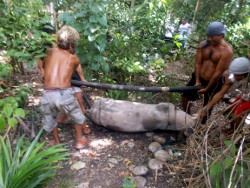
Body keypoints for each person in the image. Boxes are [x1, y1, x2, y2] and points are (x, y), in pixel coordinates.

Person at [41, 26, 88, 149]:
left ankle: (57, 141)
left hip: (47, 93)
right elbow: (68, 73)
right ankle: (79, 140)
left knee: (50, 120)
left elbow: (46, 69)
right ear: (72, 45)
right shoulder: (74, 59)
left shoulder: (47, 53)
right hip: (64, 93)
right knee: (79, 117)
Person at [182, 21, 234, 123]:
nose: (209, 39)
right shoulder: (203, 45)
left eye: (212, 37)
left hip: (215, 82)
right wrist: (197, 80)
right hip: (199, 78)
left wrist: (207, 88)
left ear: (221, 35)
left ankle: (201, 125)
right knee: (185, 98)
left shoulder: (227, 51)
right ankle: (187, 120)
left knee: (208, 106)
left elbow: (218, 72)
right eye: (208, 36)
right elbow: (197, 64)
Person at [198, 57, 250, 131]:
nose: (235, 77)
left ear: (245, 74)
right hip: (246, 93)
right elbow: (220, 94)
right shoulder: (234, 76)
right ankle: (232, 129)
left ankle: (236, 132)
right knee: (231, 111)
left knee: (239, 112)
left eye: (237, 75)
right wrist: (206, 108)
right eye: (234, 74)